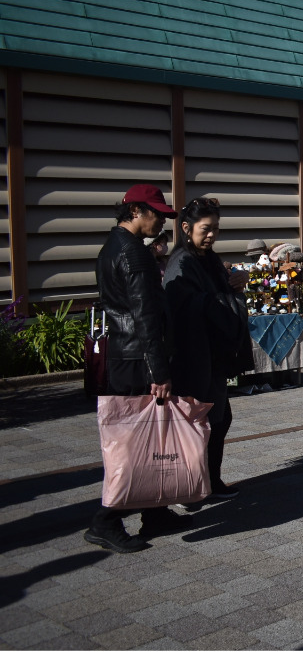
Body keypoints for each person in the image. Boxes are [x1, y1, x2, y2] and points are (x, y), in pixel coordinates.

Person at [87, 184, 181, 553]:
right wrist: (159, 372)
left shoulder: (111, 247)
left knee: (143, 437)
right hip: (138, 358)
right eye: (156, 213)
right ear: (136, 211)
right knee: (137, 442)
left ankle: (155, 512)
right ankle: (106, 520)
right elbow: (146, 317)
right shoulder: (135, 256)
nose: (161, 220)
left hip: (123, 355)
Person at [163, 197, 252, 507]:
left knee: (218, 419)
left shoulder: (208, 259)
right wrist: (222, 300)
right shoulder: (182, 263)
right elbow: (182, 309)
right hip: (191, 357)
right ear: (186, 228)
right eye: (206, 229)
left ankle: (209, 480)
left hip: (212, 356)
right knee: (197, 423)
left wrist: (236, 284)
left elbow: (219, 294)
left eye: (216, 229)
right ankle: (190, 486)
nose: (212, 235)